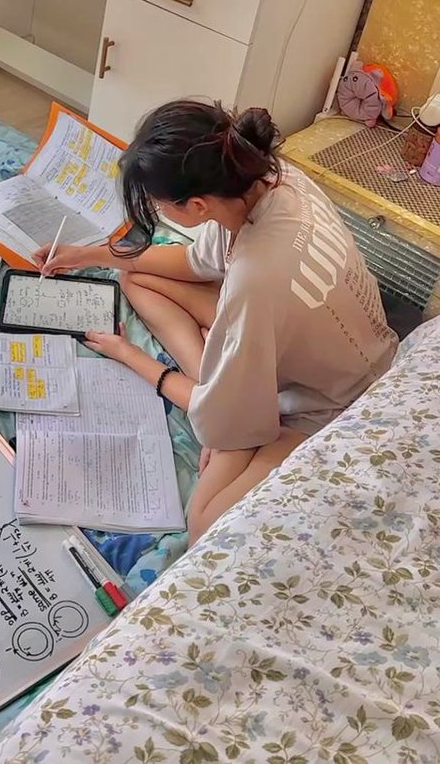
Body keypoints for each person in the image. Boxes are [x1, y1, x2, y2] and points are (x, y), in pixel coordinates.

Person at [34, 100, 398, 544]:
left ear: (197, 206)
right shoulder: (272, 178)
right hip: (316, 334)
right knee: (135, 277)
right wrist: (87, 254)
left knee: (204, 526)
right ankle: (216, 373)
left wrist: (129, 355)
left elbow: (230, 421)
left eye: (158, 205)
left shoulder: (253, 282)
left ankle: (216, 378)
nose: (156, 211)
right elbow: (193, 261)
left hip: (335, 402)